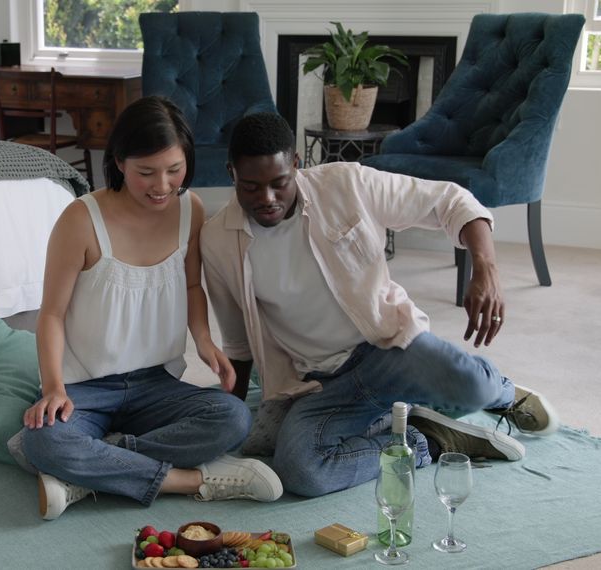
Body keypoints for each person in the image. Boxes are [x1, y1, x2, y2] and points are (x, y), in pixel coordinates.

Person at [200, 112, 560, 497]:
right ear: (231, 172)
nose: (267, 199)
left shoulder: (347, 184)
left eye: (279, 183)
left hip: (389, 349)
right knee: (301, 471)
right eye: (251, 187)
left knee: (473, 388)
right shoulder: (218, 241)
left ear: (296, 165)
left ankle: (503, 393)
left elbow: (451, 201)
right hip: (321, 383)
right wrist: (229, 425)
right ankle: (429, 439)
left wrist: (485, 269)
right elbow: (238, 345)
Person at [19, 96, 283, 520]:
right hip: (84, 388)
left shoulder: (190, 209)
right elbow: (51, 313)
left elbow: (192, 285)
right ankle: (191, 480)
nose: (162, 185)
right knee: (43, 440)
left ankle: (95, 468)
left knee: (233, 417)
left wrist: (204, 341)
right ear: (120, 162)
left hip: (156, 383)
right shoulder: (80, 220)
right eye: (146, 172)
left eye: (174, 170)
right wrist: (53, 388)